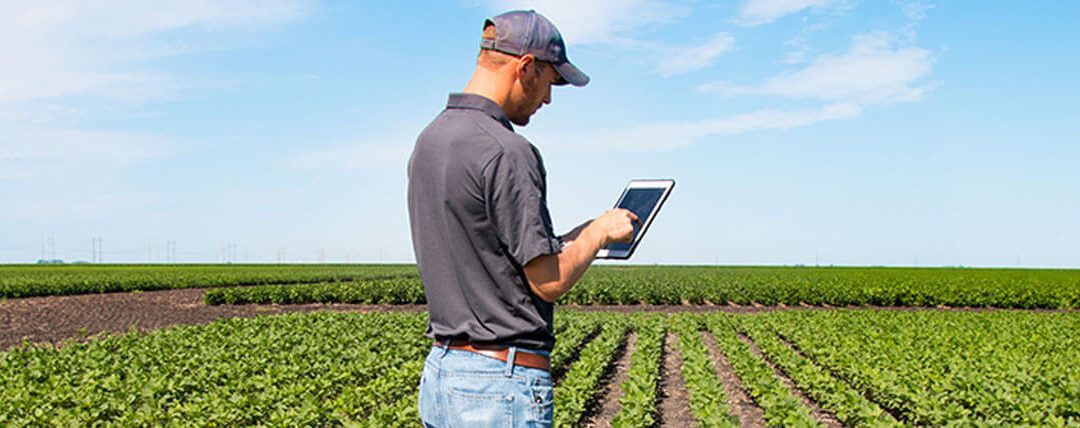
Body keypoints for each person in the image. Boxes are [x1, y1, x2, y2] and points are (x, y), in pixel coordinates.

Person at [407, 9, 638, 427]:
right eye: (550, 82)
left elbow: (493, 252)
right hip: (499, 383)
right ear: (526, 67)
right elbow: (548, 281)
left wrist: (585, 232)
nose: (548, 99)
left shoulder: (430, 140)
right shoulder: (507, 151)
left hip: (442, 375)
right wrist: (599, 235)